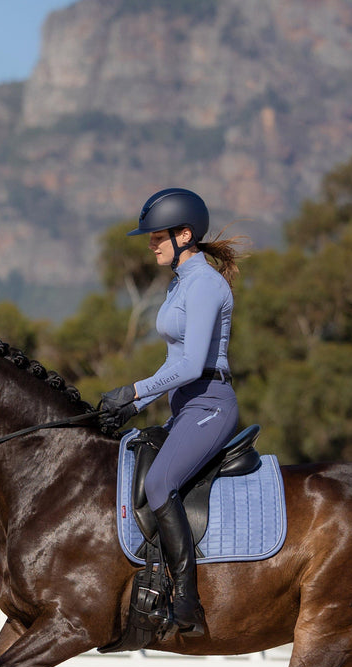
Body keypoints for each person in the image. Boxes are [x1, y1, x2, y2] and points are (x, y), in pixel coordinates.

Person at [99, 187, 246, 637]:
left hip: (210, 403)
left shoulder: (205, 285)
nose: (151, 244)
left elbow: (192, 364)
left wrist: (133, 389)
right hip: (184, 404)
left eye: (158, 235)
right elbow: (172, 363)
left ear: (185, 235)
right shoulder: (179, 283)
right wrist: (135, 404)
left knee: (160, 482)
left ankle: (187, 600)